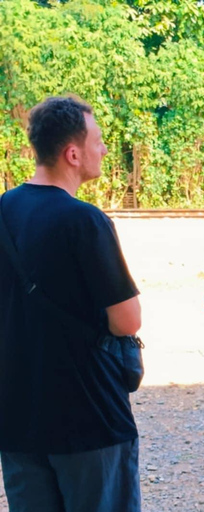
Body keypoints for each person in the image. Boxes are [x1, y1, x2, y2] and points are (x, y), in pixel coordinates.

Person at [0, 96, 142, 511]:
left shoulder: (3, 211)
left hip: (18, 420)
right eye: (97, 141)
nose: (103, 150)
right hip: (88, 418)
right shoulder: (84, 220)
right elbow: (127, 320)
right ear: (72, 152)